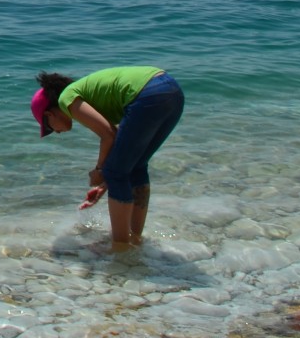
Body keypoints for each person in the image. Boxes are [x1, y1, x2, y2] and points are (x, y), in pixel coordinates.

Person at [31, 67, 185, 249]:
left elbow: (108, 135)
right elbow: (121, 145)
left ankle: (120, 248)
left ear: (49, 114)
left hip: (148, 93)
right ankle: (135, 239)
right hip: (172, 90)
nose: (56, 132)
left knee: (117, 173)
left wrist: (100, 171)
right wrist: (106, 183)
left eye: (49, 128)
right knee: (137, 167)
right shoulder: (89, 97)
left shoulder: (67, 98)